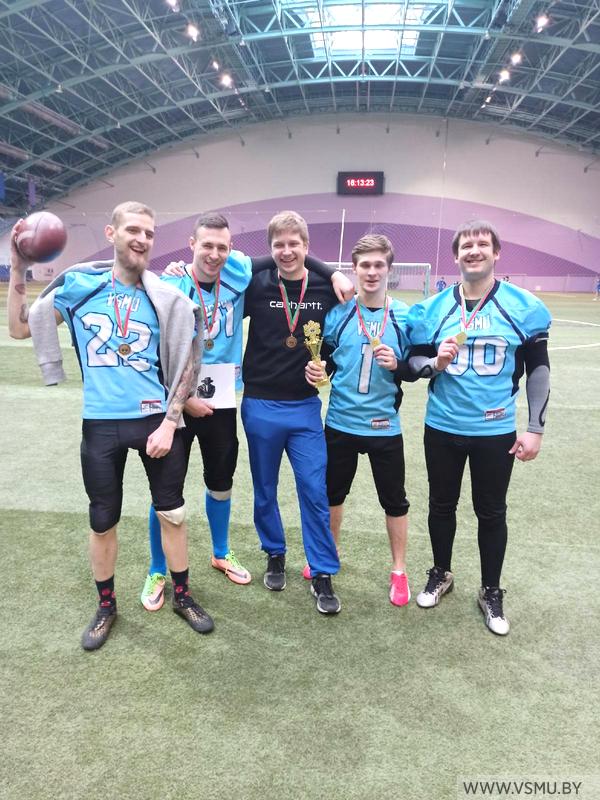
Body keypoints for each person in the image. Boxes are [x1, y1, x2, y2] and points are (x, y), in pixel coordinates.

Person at [7, 201, 214, 650]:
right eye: (133, 230)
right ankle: (106, 606)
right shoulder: (79, 288)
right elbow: (21, 329)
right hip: (100, 424)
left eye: (149, 233)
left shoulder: (163, 296)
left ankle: (182, 595)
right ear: (111, 233)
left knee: (173, 513)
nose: (142, 239)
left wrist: (171, 421)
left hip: (155, 420)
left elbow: (188, 361)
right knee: (102, 520)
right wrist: (19, 267)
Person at [140, 212, 353, 611]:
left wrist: (335, 273)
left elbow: (344, 341)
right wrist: (179, 397)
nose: (214, 254)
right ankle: (160, 569)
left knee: (260, 486)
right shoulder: (201, 283)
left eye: (221, 247)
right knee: (169, 489)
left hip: (247, 401)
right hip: (199, 401)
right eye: (207, 245)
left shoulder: (279, 281)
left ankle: (293, 566)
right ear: (192, 244)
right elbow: (149, 346)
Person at [406, 219, 551, 635]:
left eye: (482, 244)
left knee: (491, 511)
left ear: (495, 252)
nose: (474, 251)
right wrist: (435, 364)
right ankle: (441, 572)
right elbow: (413, 362)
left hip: (494, 430)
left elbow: (539, 370)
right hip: (442, 425)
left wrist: (535, 427)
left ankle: (491, 590)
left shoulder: (522, 307)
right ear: (456, 255)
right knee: (441, 504)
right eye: (466, 245)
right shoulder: (433, 308)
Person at [305, 234, 424, 606]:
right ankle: (329, 554)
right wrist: (317, 370)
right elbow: (325, 359)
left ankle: (399, 570)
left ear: (389, 269)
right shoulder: (338, 314)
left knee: (395, 501)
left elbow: (417, 368)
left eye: (378, 265)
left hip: (384, 426)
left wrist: (398, 365)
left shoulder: (405, 316)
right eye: (365, 266)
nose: (372, 272)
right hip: (340, 423)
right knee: (332, 495)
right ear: (354, 270)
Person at [241, 211, 350, 614]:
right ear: (270, 248)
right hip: (259, 403)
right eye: (279, 245)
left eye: (294, 244)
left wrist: (327, 368)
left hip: (305, 408)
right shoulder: (256, 283)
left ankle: (322, 572)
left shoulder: (324, 287)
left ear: (306, 245)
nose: (287, 251)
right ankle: (274, 552)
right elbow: (224, 274)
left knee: (314, 490)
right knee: (265, 488)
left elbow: (339, 342)